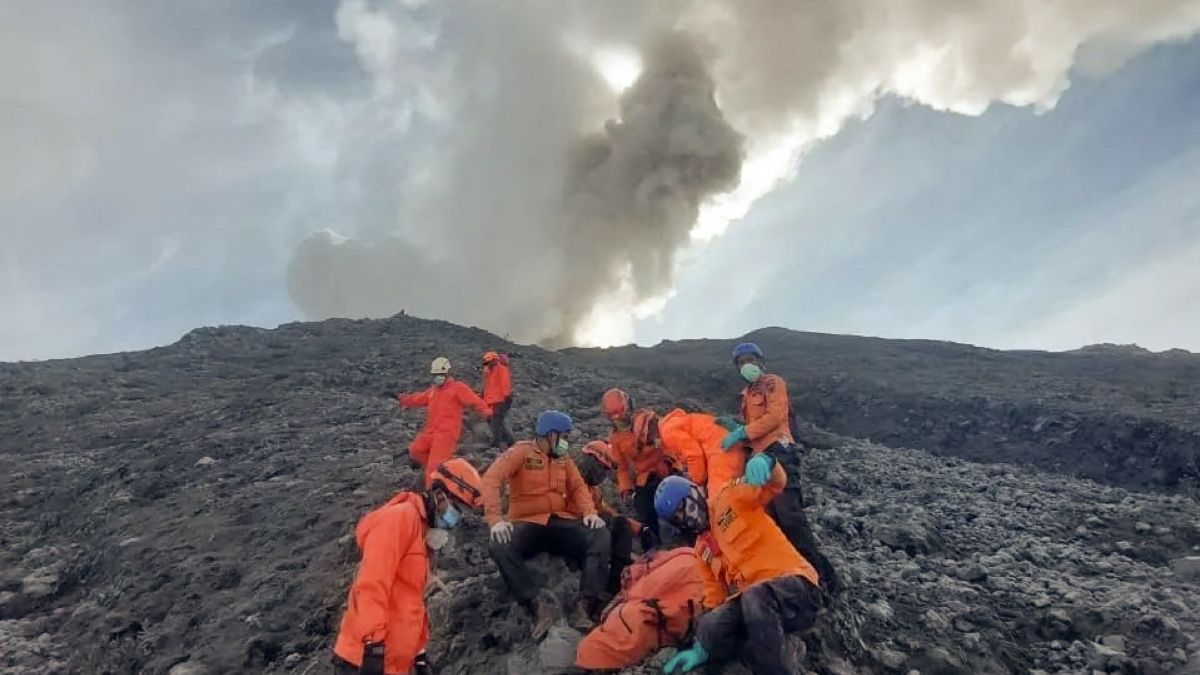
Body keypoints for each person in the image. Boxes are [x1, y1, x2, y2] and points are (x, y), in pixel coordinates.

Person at [653, 470, 822, 674]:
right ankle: (771, 652)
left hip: (797, 588)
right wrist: (702, 644)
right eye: (677, 518)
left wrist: (768, 464)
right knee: (710, 625)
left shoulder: (730, 497)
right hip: (761, 610)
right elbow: (714, 599)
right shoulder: (702, 550)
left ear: (694, 494)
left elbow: (772, 485)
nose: (685, 519)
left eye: (683, 508)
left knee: (754, 596)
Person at [332, 458, 485, 675]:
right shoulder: (399, 519)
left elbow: (411, 599)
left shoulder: (422, 533)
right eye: (457, 509)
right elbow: (371, 583)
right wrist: (373, 646)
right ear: (440, 495)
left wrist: (419, 652)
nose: (456, 518)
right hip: (362, 660)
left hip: (393, 663)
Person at [720, 342, 840, 596]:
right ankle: (797, 578)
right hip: (760, 458)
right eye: (741, 363)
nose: (746, 366)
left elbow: (775, 417)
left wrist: (744, 430)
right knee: (775, 522)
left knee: (791, 518)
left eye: (749, 360)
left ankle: (823, 583)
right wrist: (736, 429)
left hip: (780, 452)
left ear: (760, 361)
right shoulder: (746, 395)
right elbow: (754, 429)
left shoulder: (773, 383)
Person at [483, 410, 610, 639]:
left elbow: (578, 487)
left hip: (559, 522)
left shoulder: (563, 458)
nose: (566, 442)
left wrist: (590, 513)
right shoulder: (521, 452)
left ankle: (585, 604)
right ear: (550, 435)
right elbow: (491, 479)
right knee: (499, 545)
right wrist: (495, 520)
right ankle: (536, 603)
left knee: (599, 534)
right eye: (564, 436)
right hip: (527, 523)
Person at [394, 357, 491, 488]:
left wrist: (487, 412)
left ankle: (432, 493)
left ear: (447, 373)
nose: (437, 378)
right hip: (430, 432)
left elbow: (475, 401)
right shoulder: (433, 391)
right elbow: (418, 399)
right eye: (434, 375)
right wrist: (401, 398)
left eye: (439, 375)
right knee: (415, 450)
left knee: (433, 467)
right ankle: (443, 470)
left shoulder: (458, 388)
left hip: (446, 434)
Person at [575, 440, 650, 592]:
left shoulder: (593, 490)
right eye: (601, 467)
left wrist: (639, 528)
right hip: (571, 532)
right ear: (590, 460)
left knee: (619, 523)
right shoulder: (569, 480)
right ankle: (605, 588)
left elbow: (607, 511)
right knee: (610, 527)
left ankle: (615, 581)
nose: (603, 474)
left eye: (606, 470)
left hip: (584, 530)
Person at [602, 389, 670, 547]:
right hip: (644, 479)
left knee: (681, 501)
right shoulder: (616, 438)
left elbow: (665, 443)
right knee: (644, 513)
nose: (618, 418)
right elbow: (622, 467)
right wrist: (626, 488)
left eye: (620, 412)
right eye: (613, 415)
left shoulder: (647, 419)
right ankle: (653, 548)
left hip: (665, 469)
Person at [657, 408, 745, 496]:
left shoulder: (667, 432)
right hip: (728, 444)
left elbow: (694, 455)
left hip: (722, 450)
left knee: (719, 500)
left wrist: (695, 482)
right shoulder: (673, 423)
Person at [480, 351, 515, 449]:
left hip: (501, 400)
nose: (487, 364)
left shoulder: (501, 369)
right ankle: (510, 440)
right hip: (492, 401)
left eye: (489, 362)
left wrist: (506, 397)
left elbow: (505, 384)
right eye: (486, 362)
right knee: (495, 421)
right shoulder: (488, 372)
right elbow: (488, 387)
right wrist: (483, 398)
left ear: (495, 360)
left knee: (497, 421)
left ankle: (496, 442)